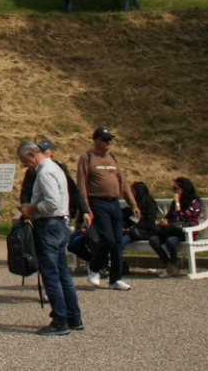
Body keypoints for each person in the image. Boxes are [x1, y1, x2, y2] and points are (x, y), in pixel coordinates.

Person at [17, 143, 83, 336]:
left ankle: (60, 320)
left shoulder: (44, 172)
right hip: (61, 224)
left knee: (51, 274)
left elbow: (52, 203)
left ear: (31, 154)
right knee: (63, 274)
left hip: (49, 225)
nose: (25, 166)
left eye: (25, 162)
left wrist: (31, 208)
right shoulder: (56, 168)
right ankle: (74, 316)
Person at [77, 127, 139, 291]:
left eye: (110, 140)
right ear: (96, 141)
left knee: (118, 242)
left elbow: (123, 182)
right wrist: (86, 208)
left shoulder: (112, 158)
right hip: (98, 202)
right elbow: (81, 185)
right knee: (107, 239)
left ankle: (116, 278)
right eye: (105, 140)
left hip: (114, 203)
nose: (108, 143)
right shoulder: (87, 157)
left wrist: (132, 204)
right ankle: (94, 266)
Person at [148, 177, 201, 277]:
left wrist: (177, 203)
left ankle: (173, 266)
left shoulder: (194, 203)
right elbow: (169, 216)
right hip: (172, 230)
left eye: (176, 189)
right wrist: (164, 221)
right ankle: (171, 265)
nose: (175, 191)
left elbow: (183, 219)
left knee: (170, 241)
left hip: (186, 231)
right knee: (153, 240)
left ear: (184, 189)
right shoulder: (175, 202)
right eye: (174, 189)